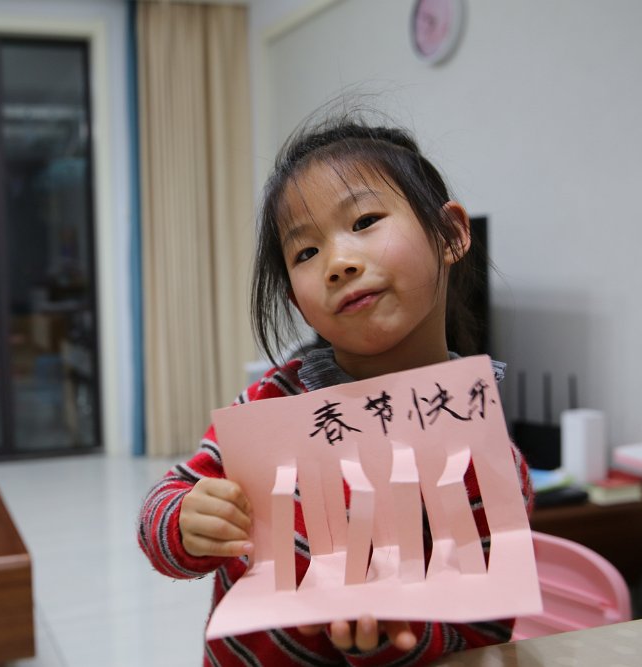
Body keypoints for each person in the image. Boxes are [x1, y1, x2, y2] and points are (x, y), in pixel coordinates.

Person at [137, 110, 533, 666]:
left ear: (450, 234)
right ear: (299, 303)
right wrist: (184, 522)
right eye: (306, 253)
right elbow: (167, 503)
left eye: (365, 220)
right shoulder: (272, 403)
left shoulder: (483, 457)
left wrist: (398, 637)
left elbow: (483, 629)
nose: (338, 264)